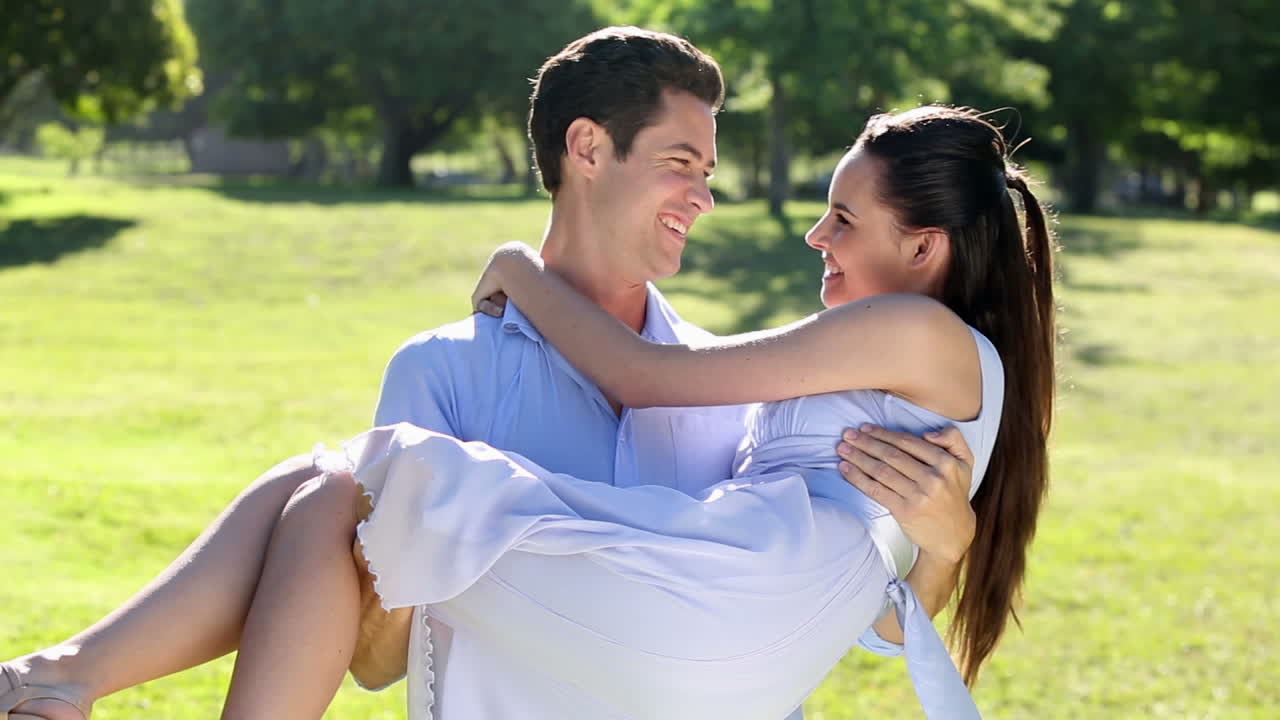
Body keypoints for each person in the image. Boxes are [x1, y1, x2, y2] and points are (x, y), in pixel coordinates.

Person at [0, 28, 979, 720]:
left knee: (337, 484)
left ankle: (57, 676)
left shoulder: (738, 386)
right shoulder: (443, 371)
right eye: (683, 162)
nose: (704, 197)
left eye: (707, 169)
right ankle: (60, 676)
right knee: (339, 489)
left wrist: (942, 544)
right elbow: (379, 663)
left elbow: (843, 614)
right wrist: (402, 556)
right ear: (587, 148)